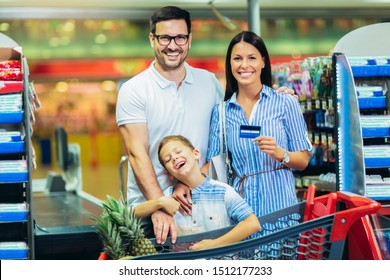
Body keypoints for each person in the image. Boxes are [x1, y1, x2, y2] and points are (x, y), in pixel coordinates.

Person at [116, 6, 294, 245]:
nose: (173, 45)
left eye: (180, 37)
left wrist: (274, 97)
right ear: (152, 39)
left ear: (189, 39)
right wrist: (161, 206)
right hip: (153, 215)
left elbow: (232, 118)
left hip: (208, 209)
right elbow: (137, 153)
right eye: (165, 37)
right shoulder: (134, 89)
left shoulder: (208, 82)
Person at [205, 31, 312, 223]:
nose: (244, 65)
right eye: (237, 58)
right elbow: (213, 169)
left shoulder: (285, 102)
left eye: (251, 58)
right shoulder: (221, 112)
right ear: (230, 64)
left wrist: (280, 153)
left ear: (263, 62)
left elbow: (303, 160)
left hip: (280, 211)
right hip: (240, 215)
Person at [146, 135, 259, 250]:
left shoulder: (223, 191)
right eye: (168, 160)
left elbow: (252, 223)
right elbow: (131, 214)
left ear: (196, 154)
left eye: (178, 151)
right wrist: (159, 202)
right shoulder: (167, 198)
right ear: (168, 173)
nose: (174, 158)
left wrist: (214, 245)